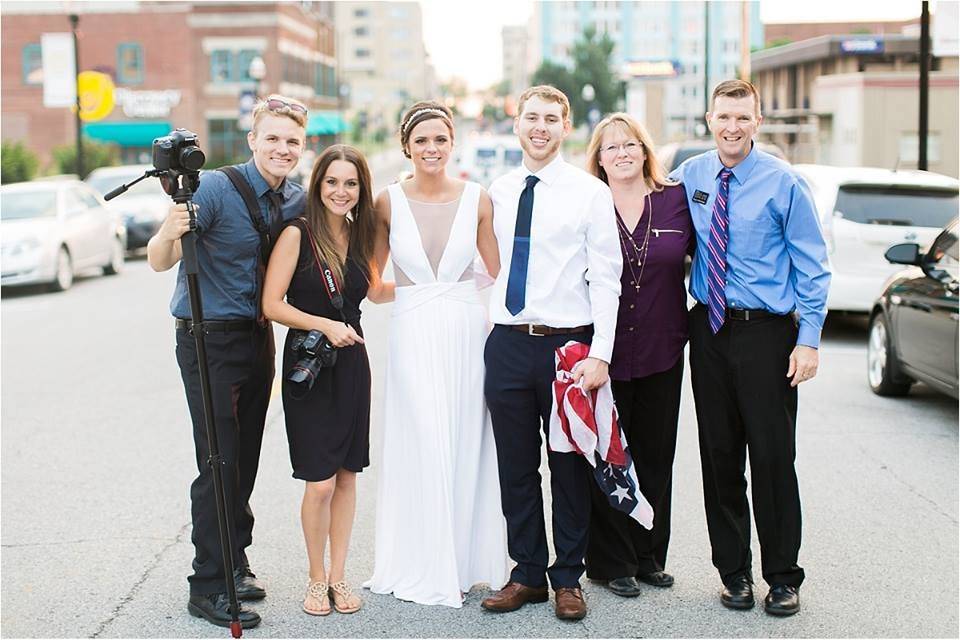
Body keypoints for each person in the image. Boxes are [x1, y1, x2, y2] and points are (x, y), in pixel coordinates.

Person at [146, 94, 309, 629]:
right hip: (206, 338)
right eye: (273, 138)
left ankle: (235, 560)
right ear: (253, 141)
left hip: (256, 338)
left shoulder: (294, 200)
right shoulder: (216, 187)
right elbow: (159, 259)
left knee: (245, 455)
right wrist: (170, 230)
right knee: (217, 459)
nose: (282, 149)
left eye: (292, 141)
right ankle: (208, 583)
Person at [670, 79, 830, 617]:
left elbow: (812, 265)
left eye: (742, 117)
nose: (732, 127)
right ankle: (733, 573)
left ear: (757, 122)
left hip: (767, 333)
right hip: (709, 331)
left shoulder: (785, 183)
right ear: (709, 120)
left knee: (771, 456)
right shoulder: (690, 176)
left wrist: (807, 340)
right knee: (719, 458)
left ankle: (783, 576)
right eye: (723, 117)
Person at [480, 85, 622, 621]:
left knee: (567, 465)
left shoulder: (590, 193)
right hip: (509, 343)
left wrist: (600, 354)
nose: (540, 127)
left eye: (551, 120)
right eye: (531, 117)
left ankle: (567, 578)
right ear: (517, 124)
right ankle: (526, 573)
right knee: (515, 466)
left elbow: (607, 279)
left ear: (566, 129)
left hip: (568, 347)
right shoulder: (498, 188)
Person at [363, 101, 509, 608]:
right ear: (407, 146)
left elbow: (497, 271)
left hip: (467, 331)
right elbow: (371, 281)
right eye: (422, 140)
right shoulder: (385, 203)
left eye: (440, 140)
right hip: (412, 330)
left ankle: (465, 563)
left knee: (466, 435)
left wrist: (462, 299)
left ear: (453, 143)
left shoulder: (478, 199)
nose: (431, 149)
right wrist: (412, 295)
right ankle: (423, 560)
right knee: (421, 436)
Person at [262, 144, 388, 617]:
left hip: (352, 363)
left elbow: (373, 292)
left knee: (347, 476)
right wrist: (323, 325)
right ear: (317, 186)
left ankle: (339, 577)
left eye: (350, 183)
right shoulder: (297, 234)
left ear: (361, 189)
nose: (341, 191)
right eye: (332, 182)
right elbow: (272, 304)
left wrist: (444, 284)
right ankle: (316, 578)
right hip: (309, 367)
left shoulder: (361, 235)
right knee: (319, 483)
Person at [583, 113, 693, 597]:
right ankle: (611, 562)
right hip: (602, 350)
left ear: (645, 150)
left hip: (662, 347)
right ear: (599, 159)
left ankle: (649, 555)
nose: (622, 153)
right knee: (607, 453)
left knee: (655, 454)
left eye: (630, 145)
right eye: (611, 148)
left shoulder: (675, 201)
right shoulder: (587, 202)